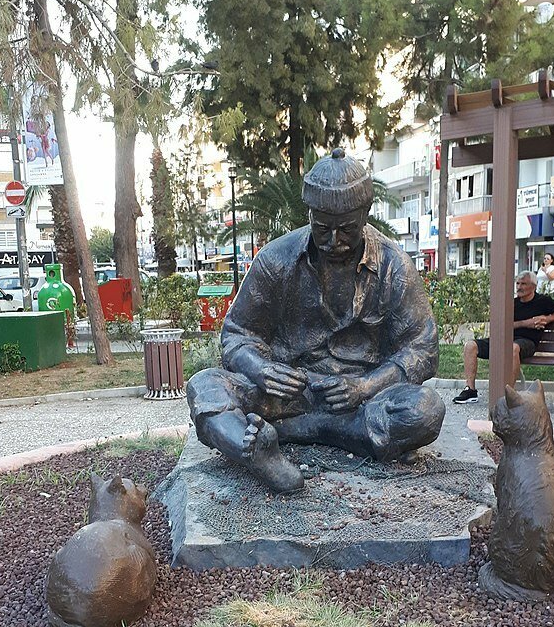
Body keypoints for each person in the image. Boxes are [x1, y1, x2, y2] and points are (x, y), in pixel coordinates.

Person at [187, 148, 446, 494]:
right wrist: (261, 369)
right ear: (309, 214)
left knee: (426, 410)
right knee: (204, 386)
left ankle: (297, 431)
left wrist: (365, 387)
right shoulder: (275, 260)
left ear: (366, 215)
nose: (334, 241)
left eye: (347, 230)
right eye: (323, 229)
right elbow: (237, 334)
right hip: (285, 393)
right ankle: (257, 455)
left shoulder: (393, 267)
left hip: (360, 400)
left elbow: (422, 349)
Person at [452, 271, 554, 403]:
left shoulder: (543, 301)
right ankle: (470, 390)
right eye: (517, 283)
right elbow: (502, 325)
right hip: (505, 339)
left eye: (523, 284)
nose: (519, 287)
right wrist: (526, 323)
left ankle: (509, 394)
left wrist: (547, 318)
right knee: (470, 346)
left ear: (533, 286)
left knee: (513, 348)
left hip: (527, 342)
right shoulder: (512, 304)